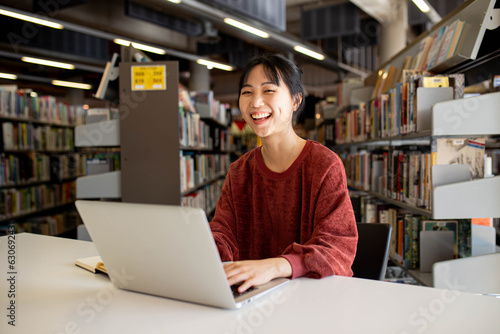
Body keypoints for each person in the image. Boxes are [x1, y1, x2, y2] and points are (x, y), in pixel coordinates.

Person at [210, 53, 358, 293]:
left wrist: (275, 266)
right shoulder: (239, 172)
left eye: (268, 91)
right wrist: (199, 248)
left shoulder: (324, 165)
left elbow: (337, 247)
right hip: (252, 297)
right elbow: (223, 233)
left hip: (315, 298)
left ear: (295, 101)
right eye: (247, 92)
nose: (255, 102)